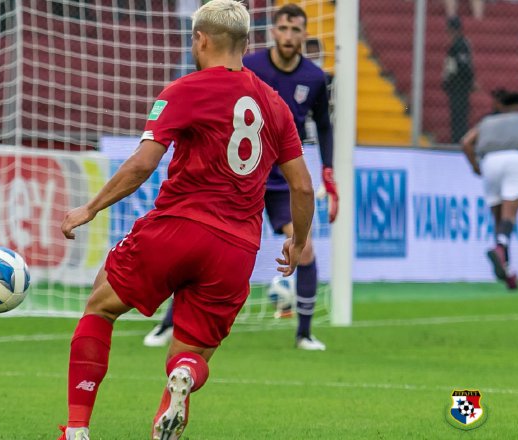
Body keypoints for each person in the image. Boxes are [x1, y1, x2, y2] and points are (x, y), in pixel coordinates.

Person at [56, 1, 315, 438]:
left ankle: (77, 428)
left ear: (201, 39)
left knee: (100, 306)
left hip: (178, 226)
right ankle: (183, 381)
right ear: (246, 43)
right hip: (235, 250)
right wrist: (299, 240)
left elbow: (141, 164)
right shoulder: (274, 105)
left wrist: (91, 207)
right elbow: (303, 187)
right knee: (190, 354)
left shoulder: (184, 89)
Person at [145, 3, 336, 351]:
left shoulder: (314, 78)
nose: (289, 36)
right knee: (199, 247)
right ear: (272, 32)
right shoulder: (251, 66)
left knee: (305, 248)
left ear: (305, 35)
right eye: (283, 28)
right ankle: (168, 324)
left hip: (279, 181)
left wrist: (328, 170)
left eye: (296, 30)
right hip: (235, 178)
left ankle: (305, 333)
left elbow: (324, 125)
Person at [461, 91, 518, 290]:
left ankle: (508, 273)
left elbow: (466, 142)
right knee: (509, 216)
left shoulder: (487, 122)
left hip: (489, 162)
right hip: (515, 159)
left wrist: (475, 166)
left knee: (499, 221)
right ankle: (500, 248)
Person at [442, 16, 475, 143]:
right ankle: (458, 139)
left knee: (459, 114)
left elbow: (463, 64)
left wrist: (469, 80)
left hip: (459, 84)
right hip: (457, 84)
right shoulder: (458, 43)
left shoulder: (460, 44)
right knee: (458, 114)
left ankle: (459, 140)